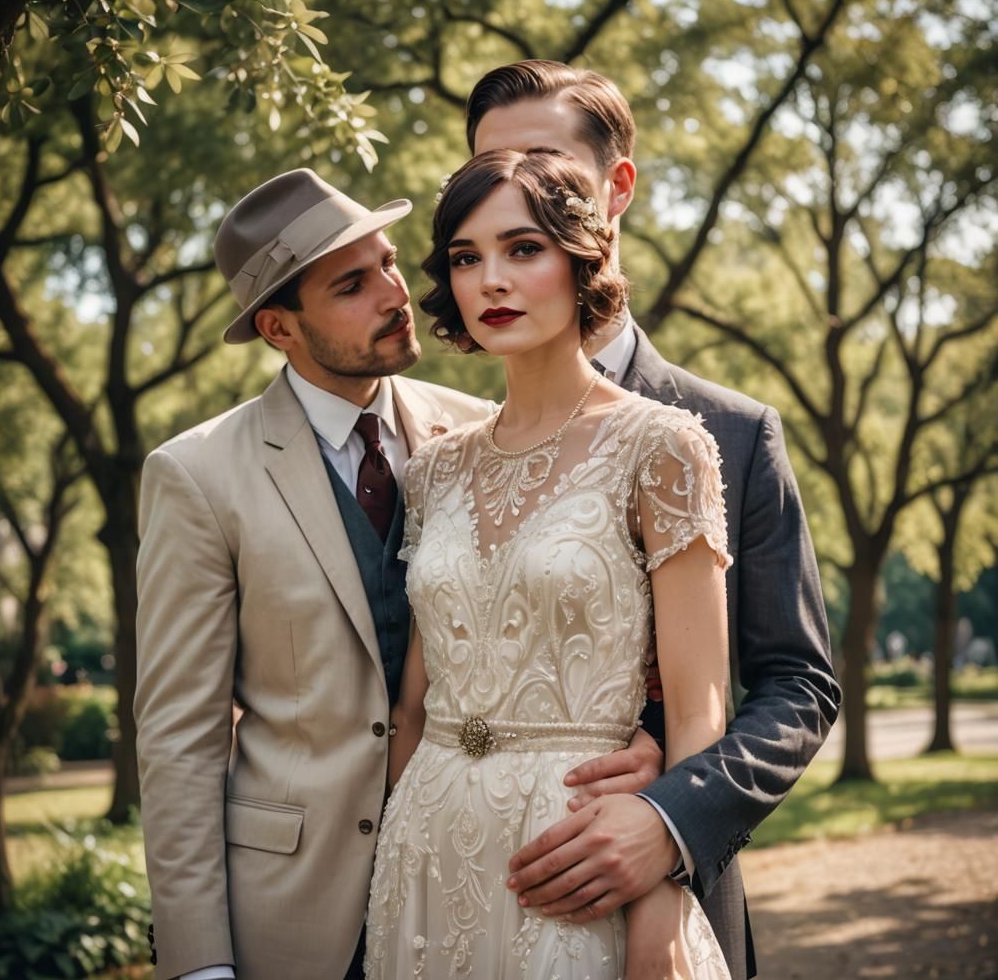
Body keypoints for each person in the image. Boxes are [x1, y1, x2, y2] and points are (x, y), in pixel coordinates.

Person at [134, 167, 660, 980]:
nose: (394, 292)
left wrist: (649, 751)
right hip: (291, 910)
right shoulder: (197, 475)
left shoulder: (480, 432)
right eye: (352, 284)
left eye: (387, 263)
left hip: (484, 875)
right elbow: (179, 737)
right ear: (279, 327)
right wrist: (199, 963)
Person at [465, 60, 842, 978]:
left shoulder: (734, 433)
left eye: (546, 166)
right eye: (487, 167)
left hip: (662, 906)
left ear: (617, 187)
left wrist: (671, 818)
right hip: (473, 888)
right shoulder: (453, 449)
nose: (515, 189)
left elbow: (798, 684)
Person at [365, 146, 733, 979]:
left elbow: (700, 705)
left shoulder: (663, 446)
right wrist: (392, 859)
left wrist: (664, 891)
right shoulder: (434, 470)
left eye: (522, 248)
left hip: (582, 850)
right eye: (468, 258)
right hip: (425, 854)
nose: (491, 278)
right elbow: (416, 705)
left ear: (582, 257)